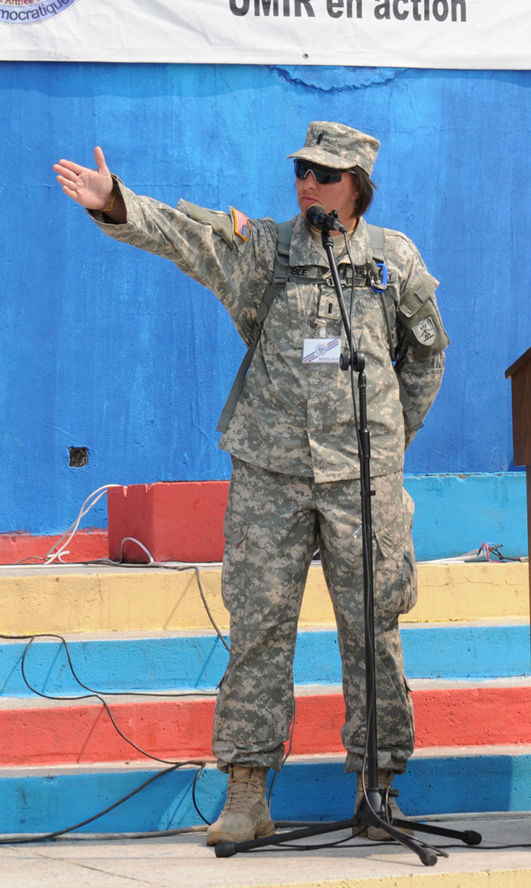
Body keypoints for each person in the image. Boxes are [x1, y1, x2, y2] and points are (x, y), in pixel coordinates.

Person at [53, 122, 448, 844]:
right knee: (260, 629)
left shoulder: (395, 259)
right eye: (301, 170)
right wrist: (116, 204)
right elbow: (185, 237)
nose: (308, 184)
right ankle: (246, 792)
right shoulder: (265, 249)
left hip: (364, 478)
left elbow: (423, 358)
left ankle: (378, 784)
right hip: (271, 471)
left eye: (325, 175)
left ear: (357, 183)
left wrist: (387, 441)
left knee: (373, 629)